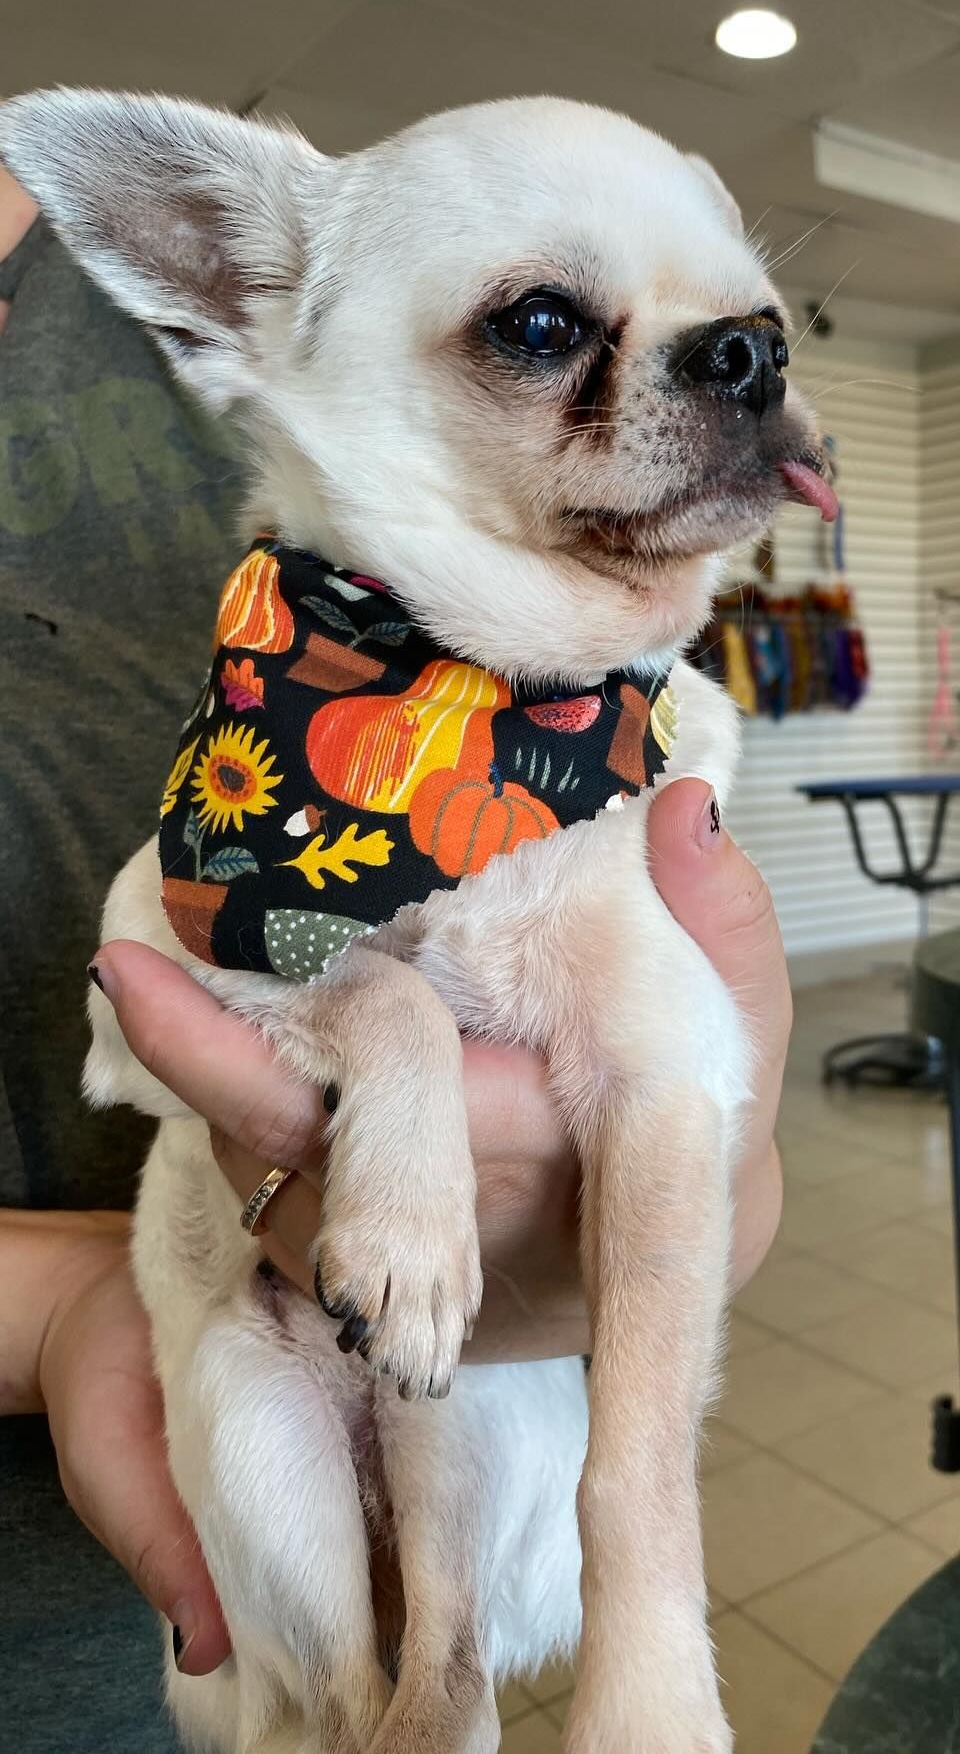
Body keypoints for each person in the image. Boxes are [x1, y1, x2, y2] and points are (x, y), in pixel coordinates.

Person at [0, 163, 788, 1750]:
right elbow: (169, 979)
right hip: (149, 1491)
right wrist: (63, 1309)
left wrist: (718, 1159)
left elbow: (701, 1157)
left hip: (455, 1438)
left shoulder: (359, 283)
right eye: (543, 327)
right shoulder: (277, 271)